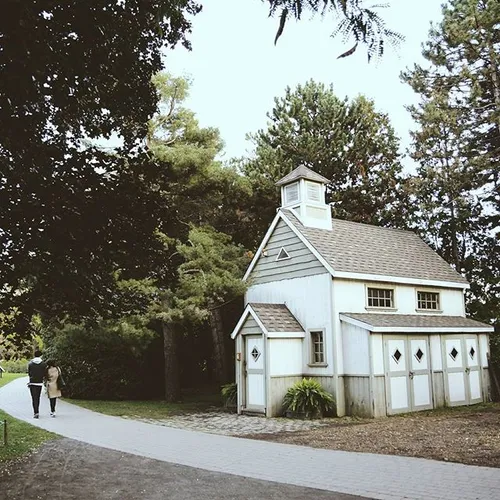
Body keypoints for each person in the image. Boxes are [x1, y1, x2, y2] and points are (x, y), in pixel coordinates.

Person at [27, 349, 47, 419]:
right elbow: (45, 374)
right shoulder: (43, 364)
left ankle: (35, 412)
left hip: (32, 382)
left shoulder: (30, 364)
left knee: (33, 398)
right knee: (37, 397)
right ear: (40, 355)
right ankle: (37, 411)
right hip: (39, 383)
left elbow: (29, 373)